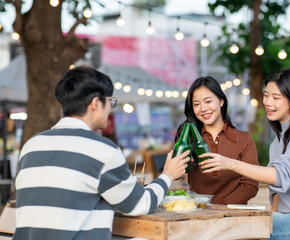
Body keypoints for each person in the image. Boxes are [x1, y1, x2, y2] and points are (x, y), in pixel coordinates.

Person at [13, 67, 190, 240]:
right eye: (111, 102)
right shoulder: (102, 150)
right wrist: (168, 174)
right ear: (96, 103)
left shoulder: (32, 145)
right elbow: (139, 204)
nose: (111, 108)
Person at [198, 68, 290, 239]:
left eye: (276, 97)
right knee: (245, 225)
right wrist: (271, 218)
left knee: (242, 227)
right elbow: (278, 194)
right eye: (266, 95)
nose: (268, 102)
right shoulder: (276, 143)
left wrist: (229, 163)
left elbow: (279, 175)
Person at [175, 76, 259, 205]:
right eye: (196, 104)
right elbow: (175, 175)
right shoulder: (188, 138)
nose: (203, 108)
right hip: (198, 215)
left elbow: (250, 186)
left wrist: (217, 207)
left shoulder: (244, 139)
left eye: (208, 101)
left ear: (221, 101)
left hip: (234, 217)